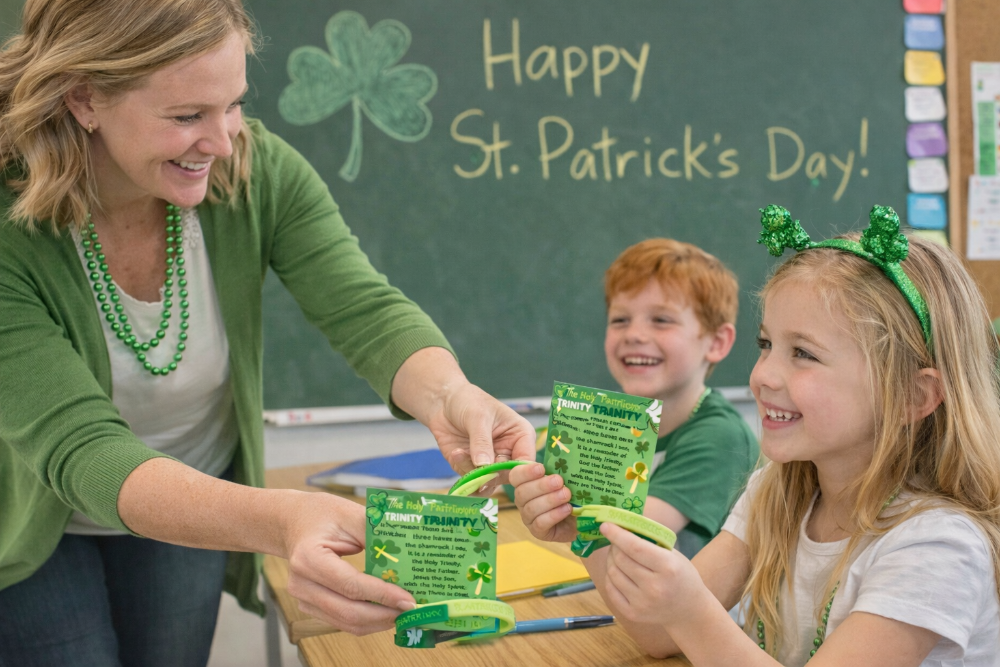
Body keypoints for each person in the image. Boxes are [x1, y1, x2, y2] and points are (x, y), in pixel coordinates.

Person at [0, 1, 535, 665]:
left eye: (233, 105)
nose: (223, 142)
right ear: (84, 98)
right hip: (26, 520)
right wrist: (283, 519)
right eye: (187, 116)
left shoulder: (254, 171)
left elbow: (364, 309)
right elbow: (81, 450)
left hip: (197, 493)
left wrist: (449, 393)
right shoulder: (10, 233)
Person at [512, 205, 1000, 666]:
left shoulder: (937, 547)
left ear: (914, 396)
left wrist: (690, 611)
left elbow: (681, 622)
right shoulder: (778, 490)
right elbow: (659, 635)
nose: (763, 375)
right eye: (766, 344)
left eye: (803, 354)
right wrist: (589, 531)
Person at [600, 238, 759, 556]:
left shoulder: (721, 437)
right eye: (620, 320)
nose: (634, 334)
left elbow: (623, 536)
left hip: (706, 605)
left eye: (661, 320)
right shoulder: (612, 419)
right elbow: (541, 474)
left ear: (716, 342)